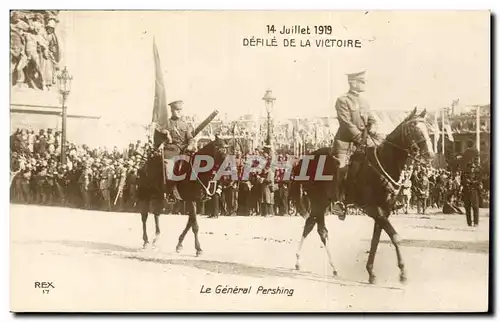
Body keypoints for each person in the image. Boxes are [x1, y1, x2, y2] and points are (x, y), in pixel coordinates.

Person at [332, 70, 380, 218]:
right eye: (362, 81)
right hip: (346, 144)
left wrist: (372, 127)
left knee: (379, 162)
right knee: (341, 170)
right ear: (353, 83)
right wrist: (360, 138)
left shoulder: (365, 102)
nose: (364, 84)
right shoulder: (342, 100)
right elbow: (346, 123)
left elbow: (372, 119)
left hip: (364, 142)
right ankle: (339, 202)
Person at [159, 100, 195, 202]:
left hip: (184, 152)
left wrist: (190, 145)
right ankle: (170, 192)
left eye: (180, 110)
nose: (179, 111)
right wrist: (166, 135)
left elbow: (190, 138)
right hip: (170, 152)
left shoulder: (185, 125)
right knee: (169, 169)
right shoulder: (166, 124)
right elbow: (160, 138)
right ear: (172, 110)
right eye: (177, 110)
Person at [461, 157, 482, 227]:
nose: (472, 169)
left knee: (475, 207)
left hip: (474, 192)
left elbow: (478, 182)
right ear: (468, 168)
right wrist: (472, 182)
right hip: (466, 192)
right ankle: (469, 223)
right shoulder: (464, 174)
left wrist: (471, 182)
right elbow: (463, 182)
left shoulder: (477, 174)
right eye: (471, 167)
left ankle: (476, 222)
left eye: (473, 167)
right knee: (467, 208)